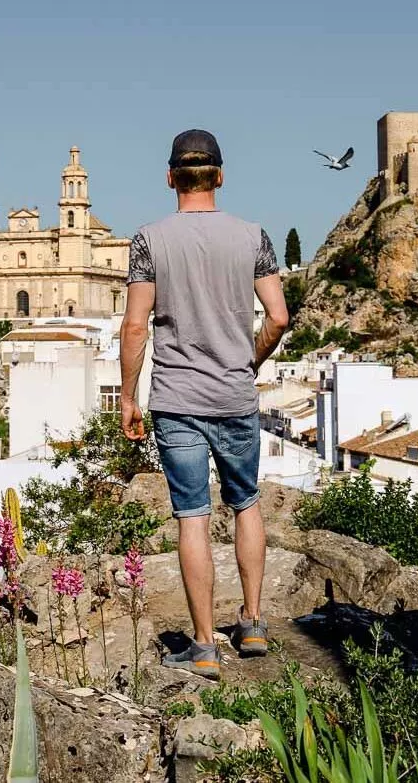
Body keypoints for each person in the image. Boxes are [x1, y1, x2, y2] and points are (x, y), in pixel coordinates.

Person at [119, 129, 289, 680]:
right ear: (219, 176)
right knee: (246, 503)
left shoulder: (149, 240)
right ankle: (255, 623)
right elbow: (279, 317)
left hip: (177, 399)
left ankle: (204, 646)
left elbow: (135, 326)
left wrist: (127, 397)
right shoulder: (253, 236)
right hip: (235, 396)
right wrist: (251, 361)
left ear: (171, 178)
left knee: (192, 517)